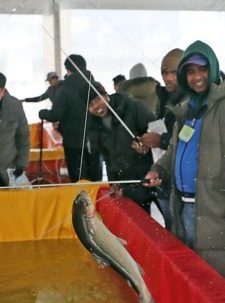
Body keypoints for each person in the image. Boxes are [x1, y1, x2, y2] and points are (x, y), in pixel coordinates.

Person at [143, 40, 225, 280]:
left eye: (202, 69)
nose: (197, 77)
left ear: (213, 68)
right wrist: (158, 169)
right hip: (183, 206)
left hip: (217, 210)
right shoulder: (186, 109)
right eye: (190, 72)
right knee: (190, 277)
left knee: (216, 280)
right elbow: (175, 150)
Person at [79, 81, 157, 212]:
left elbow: (158, 130)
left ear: (106, 94)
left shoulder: (133, 106)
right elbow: (108, 159)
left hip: (152, 178)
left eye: (98, 99)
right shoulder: (93, 126)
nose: (96, 106)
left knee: (170, 226)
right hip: (129, 186)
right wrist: (113, 183)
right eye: (90, 105)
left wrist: (146, 143)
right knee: (141, 226)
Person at [137, 48, 187, 230]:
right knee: (171, 229)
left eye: (173, 72)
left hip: (181, 185)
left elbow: (193, 140)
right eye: (165, 73)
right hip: (164, 177)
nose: (168, 78)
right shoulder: (166, 99)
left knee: (180, 232)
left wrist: (160, 141)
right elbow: (165, 130)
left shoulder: (190, 101)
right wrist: (147, 142)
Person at [39, 54, 102, 183]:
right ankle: (96, 203)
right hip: (96, 141)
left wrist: (43, 113)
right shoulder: (97, 86)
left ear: (68, 70)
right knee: (95, 181)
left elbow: (55, 115)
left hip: (73, 142)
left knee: (79, 181)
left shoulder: (65, 89)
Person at [0, 72, 30, 187]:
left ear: (2, 91)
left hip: (7, 169)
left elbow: (23, 137)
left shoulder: (15, 106)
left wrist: (22, 164)